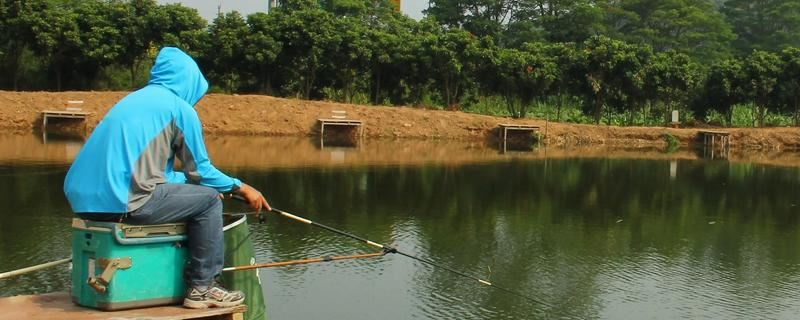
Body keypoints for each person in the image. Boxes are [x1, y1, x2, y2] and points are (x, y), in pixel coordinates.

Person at [63, 47, 269, 309]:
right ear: (190, 81)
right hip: (123, 199)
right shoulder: (178, 108)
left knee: (201, 196)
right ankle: (202, 288)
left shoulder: (132, 101)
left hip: (84, 202)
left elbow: (158, 174)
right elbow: (201, 171)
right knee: (208, 201)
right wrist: (242, 188)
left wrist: (191, 190)